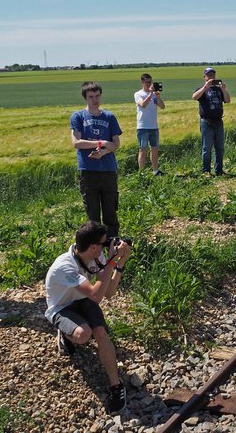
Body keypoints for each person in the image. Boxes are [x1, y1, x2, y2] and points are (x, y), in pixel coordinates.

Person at [44, 220, 132, 414]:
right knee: (83, 334)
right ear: (93, 246)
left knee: (100, 332)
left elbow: (108, 293)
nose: (109, 244)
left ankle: (116, 386)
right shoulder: (64, 266)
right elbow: (96, 295)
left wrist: (120, 263)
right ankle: (65, 332)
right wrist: (110, 260)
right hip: (61, 307)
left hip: (83, 300)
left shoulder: (95, 255)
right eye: (104, 242)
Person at [71, 82, 122, 241]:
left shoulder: (109, 116)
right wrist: (102, 143)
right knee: (92, 214)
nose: (95, 99)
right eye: (91, 97)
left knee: (110, 211)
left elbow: (116, 144)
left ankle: (112, 244)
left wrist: (104, 152)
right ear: (85, 98)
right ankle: (95, 246)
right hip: (88, 172)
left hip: (108, 170)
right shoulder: (78, 116)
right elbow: (76, 143)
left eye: (97, 96)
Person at [191, 67, 230, 176]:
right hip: (206, 122)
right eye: (209, 75)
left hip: (218, 121)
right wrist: (205, 87)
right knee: (206, 148)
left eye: (213, 75)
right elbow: (194, 97)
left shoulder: (218, 89)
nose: (211, 77)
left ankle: (219, 170)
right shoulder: (202, 89)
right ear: (204, 77)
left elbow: (227, 100)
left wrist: (223, 89)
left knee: (220, 148)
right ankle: (206, 171)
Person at [134, 73, 165, 175]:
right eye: (147, 82)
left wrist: (158, 97)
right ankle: (141, 173)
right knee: (143, 150)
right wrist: (150, 94)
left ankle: (155, 171)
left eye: (150, 82)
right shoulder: (138, 94)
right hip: (143, 126)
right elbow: (143, 105)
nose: (149, 84)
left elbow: (162, 106)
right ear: (142, 82)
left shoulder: (154, 95)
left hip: (154, 126)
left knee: (155, 150)